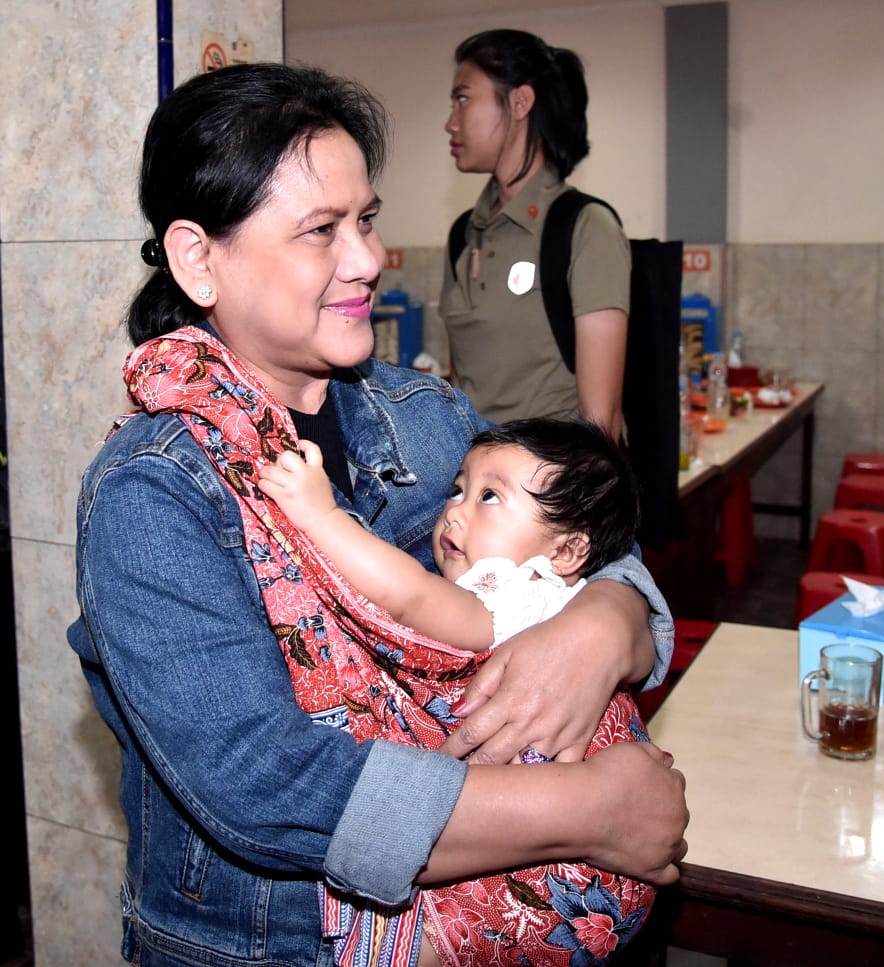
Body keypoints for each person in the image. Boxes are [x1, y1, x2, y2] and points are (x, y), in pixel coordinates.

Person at [67, 62, 686, 967]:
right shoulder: (154, 492)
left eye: (366, 219)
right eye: (321, 230)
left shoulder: (428, 419)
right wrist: (593, 808)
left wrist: (603, 622)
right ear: (200, 257)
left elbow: (591, 542)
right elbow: (268, 786)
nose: (367, 259)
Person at [259, 417, 640, 652]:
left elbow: (411, 595)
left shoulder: (521, 600)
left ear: (566, 552)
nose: (455, 511)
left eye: (490, 497)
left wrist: (322, 516)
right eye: (458, 490)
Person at [440, 29, 629, 440]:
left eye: (463, 98)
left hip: (551, 489)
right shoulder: (464, 235)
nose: (450, 122)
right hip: (475, 480)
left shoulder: (584, 227)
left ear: (520, 102)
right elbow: (461, 387)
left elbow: (601, 424)